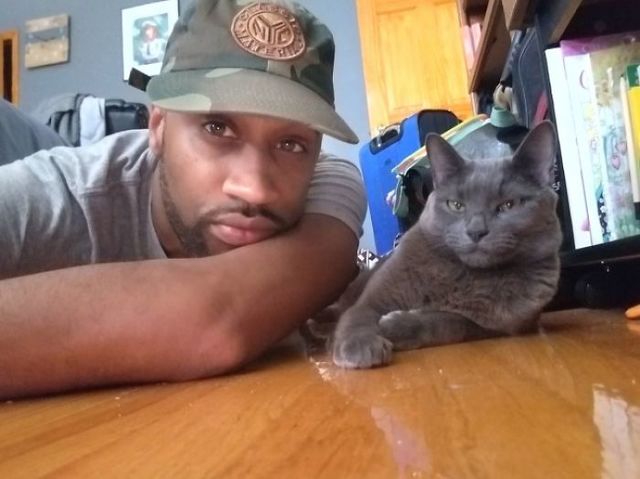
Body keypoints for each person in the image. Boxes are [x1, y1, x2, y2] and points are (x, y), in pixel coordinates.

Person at [0, 0, 367, 399]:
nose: (255, 189)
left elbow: (217, 319)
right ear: (157, 126)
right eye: (217, 127)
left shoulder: (329, 182)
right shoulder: (54, 196)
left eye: (291, 144)